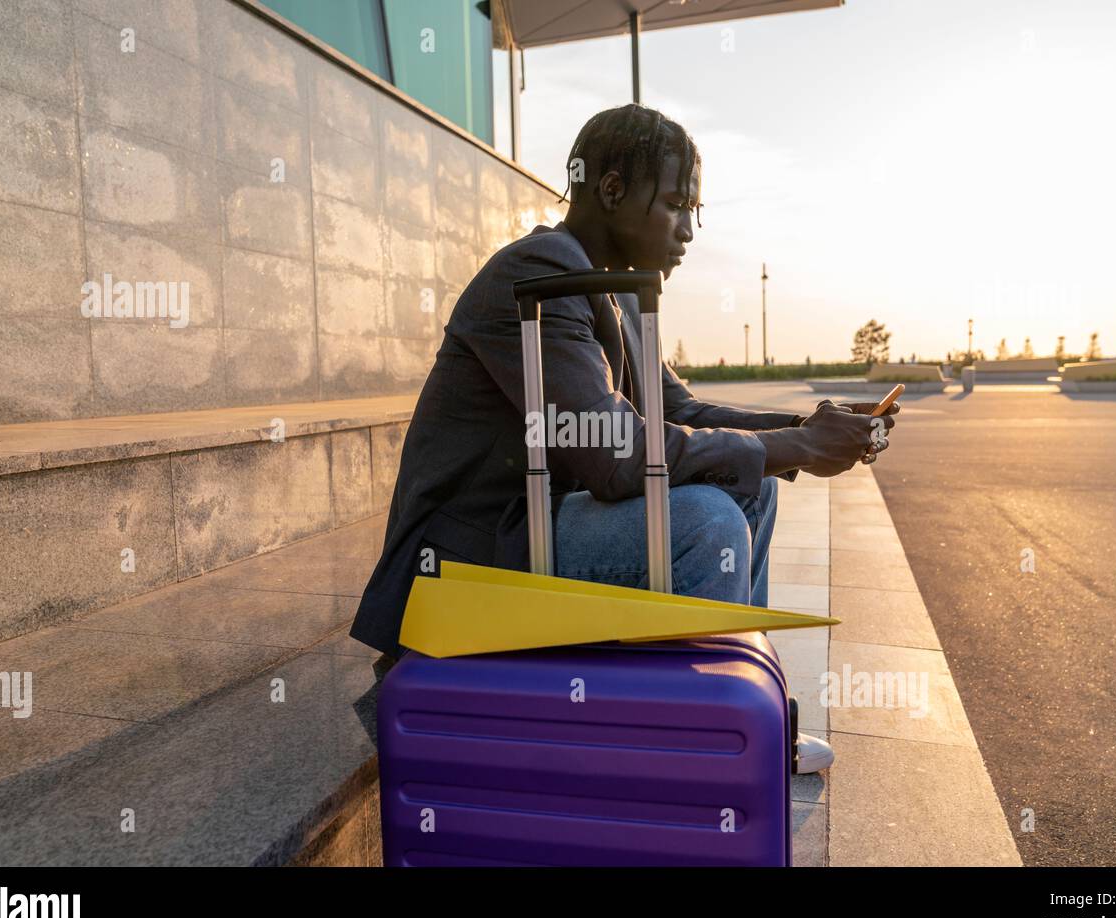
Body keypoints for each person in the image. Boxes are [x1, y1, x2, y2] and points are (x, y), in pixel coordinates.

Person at [350, 104, 897, 774]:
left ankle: (746, 717)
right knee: (705, 521)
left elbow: (680, 409)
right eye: (674, 204)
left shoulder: (616, 295)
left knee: (752, 494)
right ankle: (697, 759)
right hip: (473, 555)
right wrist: (799, 448)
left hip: (536, 528)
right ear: (611, 191)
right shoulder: (540, 272)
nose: (689, 231)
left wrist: (805, 432)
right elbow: (611, 455)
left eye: (695, 210)